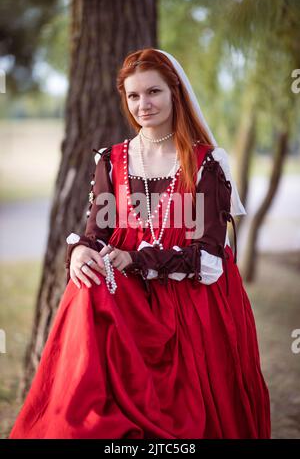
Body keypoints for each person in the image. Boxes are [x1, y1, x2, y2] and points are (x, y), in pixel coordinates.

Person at [9, 48, 271, 439]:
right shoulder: (111, 160)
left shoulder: (207, 163)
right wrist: (81, 249)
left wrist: (135, 258)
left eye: (154, 92)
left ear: (175, 93)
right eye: (133, 96)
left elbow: (211, 260)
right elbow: (98, 231)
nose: (143, 104)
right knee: (88, 290)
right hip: (127, 304)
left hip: (192, 308)